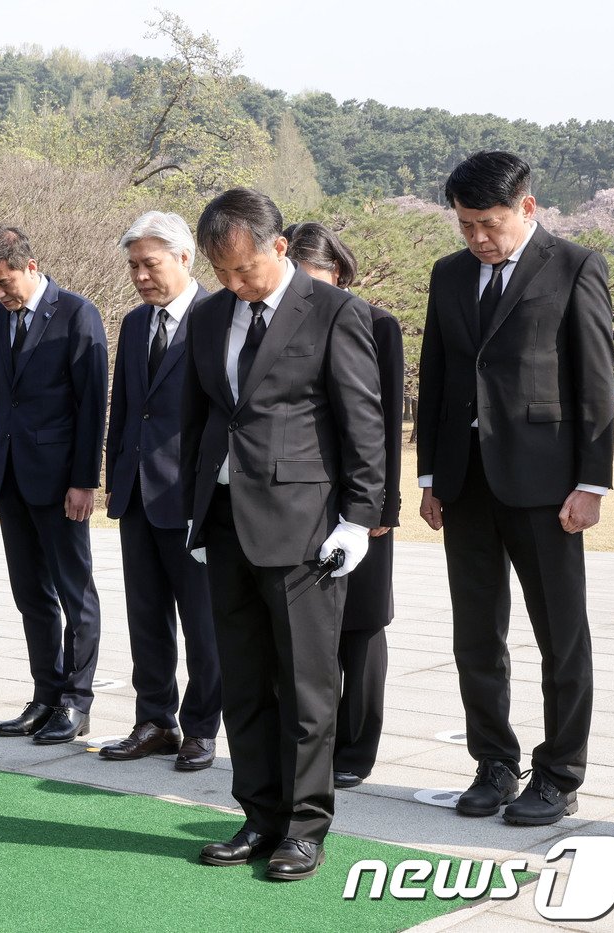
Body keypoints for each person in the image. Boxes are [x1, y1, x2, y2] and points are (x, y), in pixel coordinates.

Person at [181, 188, 383, 881]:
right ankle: (259, 814)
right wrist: (194, 508)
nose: (234, 285)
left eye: (244, 270)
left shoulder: (335, 312)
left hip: (305, 531)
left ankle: (305, 827)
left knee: (305, 685)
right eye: (222, 272)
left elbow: (362, 423)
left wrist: (360, 518)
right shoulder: (210, 316)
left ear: (278, 246)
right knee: (243, 680)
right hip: (226, 521)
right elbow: (201, 418)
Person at [417, 151, 614, 826]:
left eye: (488, 222)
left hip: (547, 487)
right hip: (465, 484)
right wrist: (430, 478)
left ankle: (559, 773)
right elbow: (437, 377)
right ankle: (494, 763)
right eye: (465, 223)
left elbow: (595, 386)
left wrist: (591, 483)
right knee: (476, 635)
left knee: (561, 636)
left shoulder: (575, 267)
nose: (477, 236)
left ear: (526, 207)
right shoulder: (448, 276)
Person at [0, 225, 108, 745]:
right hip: (9, 478)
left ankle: (77, 700)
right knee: (30, 594)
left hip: (60, 482)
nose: (0, 294)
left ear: (30, 266)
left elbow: (91, 405)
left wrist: (83, 481)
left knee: (75, 594)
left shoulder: (77, 313)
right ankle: (45, 694)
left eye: (5, 282)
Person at [284, 221, 403, 790]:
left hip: (362, 498)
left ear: (339, 274)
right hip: (301, 499)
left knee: (361, 626)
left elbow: (383, 425)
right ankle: (314, 744)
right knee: (308, 630)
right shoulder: (273, 325)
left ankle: (357, 747)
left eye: (317, 278)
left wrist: (380, 510)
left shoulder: (377, 323)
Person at [100, 211, 220, 771]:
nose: (141, 275)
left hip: (193, 498)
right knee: (146, 617)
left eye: (150, 264)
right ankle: (154, 720)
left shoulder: (218, 318)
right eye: (133, 266)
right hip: (137, 494)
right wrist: (112, 480)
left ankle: (200, 727)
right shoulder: (132, 323)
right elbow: (125, 410)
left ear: (184, 258)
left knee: (203, 622)